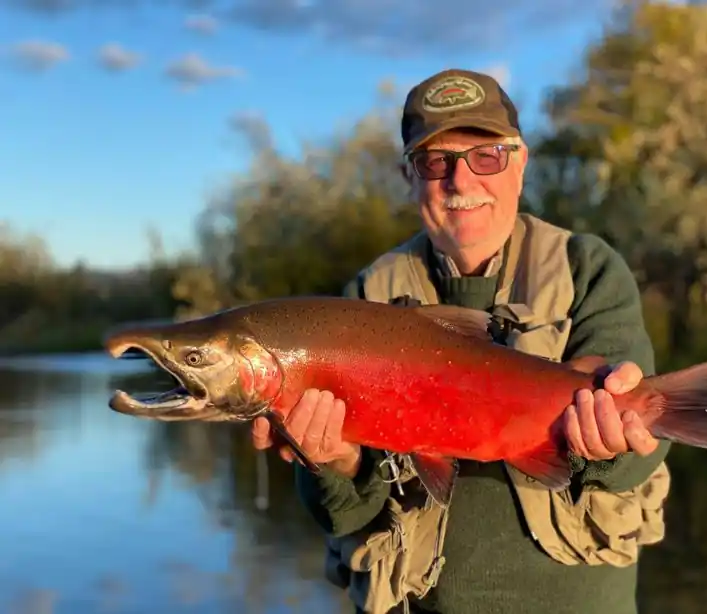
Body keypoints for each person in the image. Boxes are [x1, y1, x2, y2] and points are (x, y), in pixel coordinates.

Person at [252, 68, 672, 614]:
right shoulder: (368, 296)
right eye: (435, 161)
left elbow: (639, 458)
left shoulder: (586, 269)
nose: (461, 180)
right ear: (409, 176)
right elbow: (344, 516)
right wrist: (336, 463)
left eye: (487, 156)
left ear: (520, 163)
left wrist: (612, 440)